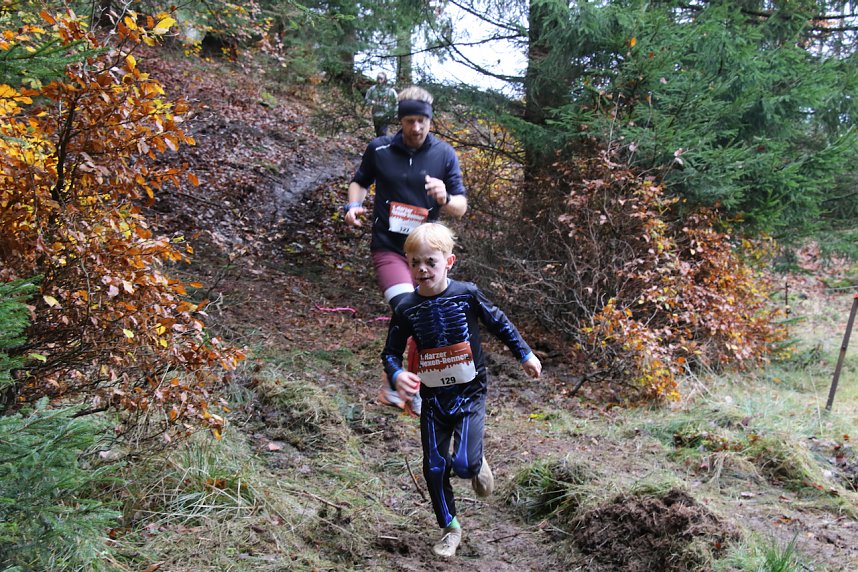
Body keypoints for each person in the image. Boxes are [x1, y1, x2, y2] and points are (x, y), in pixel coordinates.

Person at [381, 222, 542, 558]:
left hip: (469, 392)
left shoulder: (466, 294)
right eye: (415, 263)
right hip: (433, 397)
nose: (422, 269)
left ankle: (476, 462)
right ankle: (449, 528)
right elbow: (390, 352)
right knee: (434, 466)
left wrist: (524, 353)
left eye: (431, 262)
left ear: (448, 262)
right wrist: (397, 376)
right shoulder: (406, 307)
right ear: (408, 263)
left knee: (466, 466)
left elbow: (499, 322)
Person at [344, 86, 468, 414]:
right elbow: (359, 181)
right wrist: (353, 205)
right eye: (410, 120)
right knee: (406, 308)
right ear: (401, 120)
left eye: (422, 121)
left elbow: (461, 207)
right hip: (389, 248)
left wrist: (444, 198)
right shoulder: (380, 149)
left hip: (427, 255)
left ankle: (409, 383)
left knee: (426, 318)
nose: (416, 128)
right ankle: (399, 382)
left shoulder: (444, 154)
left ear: (431, 121)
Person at [364, 72, 398, 137]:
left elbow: (396, 102)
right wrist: (373, 102)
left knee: (382, 133)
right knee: (378, 133)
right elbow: (366, 100)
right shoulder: (372, 89)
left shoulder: (390, 91)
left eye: (381, 79)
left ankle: (383, 143)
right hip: (376, 115)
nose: (379, 80)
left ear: (385, 80)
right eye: (378, 78)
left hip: (385, 115)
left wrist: (393, 113)